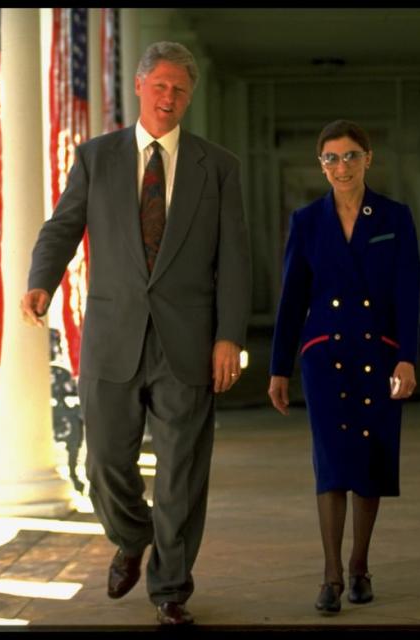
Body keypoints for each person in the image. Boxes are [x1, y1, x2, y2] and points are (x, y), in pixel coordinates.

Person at [20, 41, 251, 626]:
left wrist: (229, 336)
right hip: (113, 337)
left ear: (189, 97)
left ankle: (170, 589)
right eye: (160, 86)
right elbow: (63, 224)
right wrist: (41, 281)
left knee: (181, 472)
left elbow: (236, 259)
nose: (169, 98)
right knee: (104, 464)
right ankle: (132, 534)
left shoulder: (217, 166)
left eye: (180, 90)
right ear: (141, 88)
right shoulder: (97, 158)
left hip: (188, 343)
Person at [268, 120, 420, 614]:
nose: (342, 167)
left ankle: (359, 565)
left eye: (351, 156)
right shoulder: (307, 220)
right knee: (331, 463)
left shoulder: (394, 217)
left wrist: (408, 359)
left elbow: (406, 295)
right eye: (331, 158)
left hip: (379, 352)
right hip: (324, 356)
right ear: (321, 165)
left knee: (370, 460)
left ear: (368, 159)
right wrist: (278, 368)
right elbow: (291, 299)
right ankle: (331, 575)